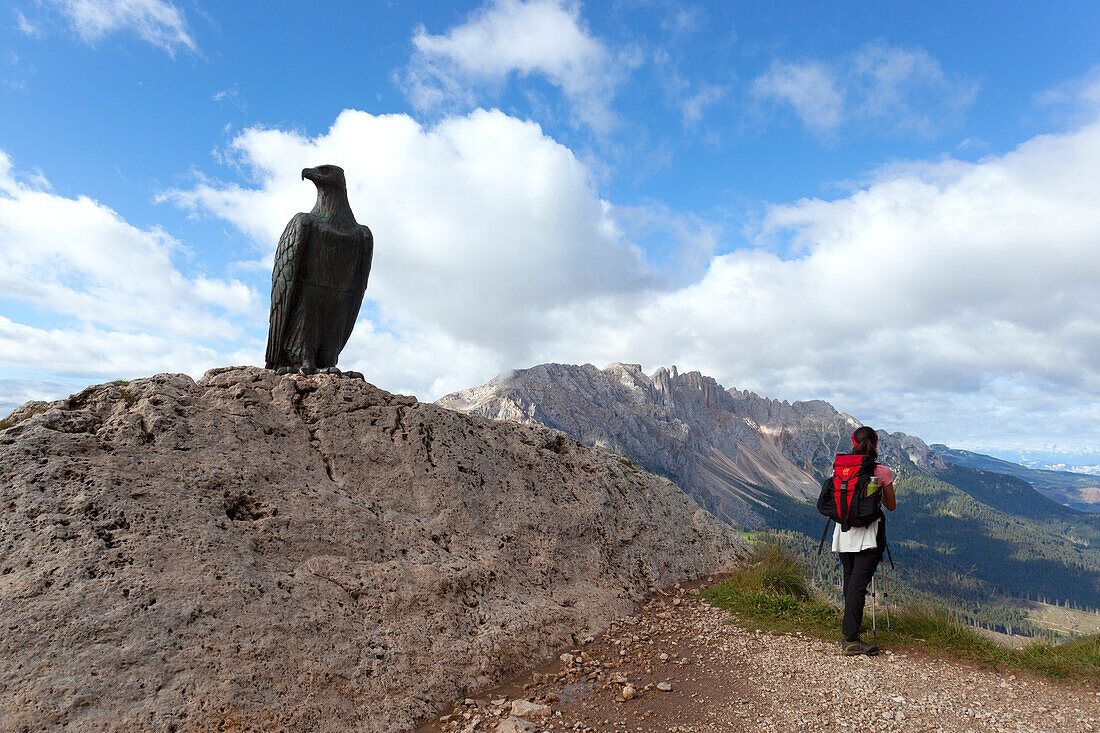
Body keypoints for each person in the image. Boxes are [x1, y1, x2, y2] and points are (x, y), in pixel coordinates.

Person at [832, 426, 896, 655]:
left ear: (852, 442)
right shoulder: (882, 472)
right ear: (876, 443)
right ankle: (850, 638)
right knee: (859, 584)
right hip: (869, 534)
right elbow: (891, 505)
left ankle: (853, 626)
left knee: (850, 580)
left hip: (843, 531)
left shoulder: (840, 469)